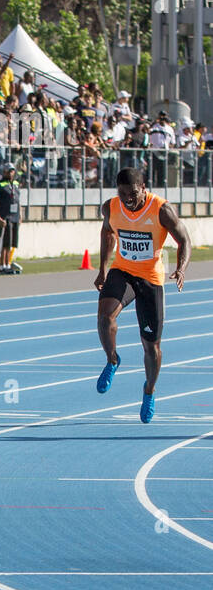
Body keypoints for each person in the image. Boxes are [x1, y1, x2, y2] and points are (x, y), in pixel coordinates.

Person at [93, 167, 192, 423]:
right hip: (123, 271)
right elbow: (107, 233)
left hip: (150, 278)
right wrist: (103, 269)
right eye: (122, 193)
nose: (128, 199)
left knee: (151, 346)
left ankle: (149, 389)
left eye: (133, 193)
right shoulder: (111, 207)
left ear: (144, 188)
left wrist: (181, 268)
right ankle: (112, 360)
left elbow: (184, 240)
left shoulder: (161, 209)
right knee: (104, 317)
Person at [0, 163, 21, 274]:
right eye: (8, 171)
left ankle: (8, 264)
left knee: (11, 243)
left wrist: (20, 215)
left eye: (12, 171)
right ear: (4, 172)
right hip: (5, 216)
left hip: (15, 216)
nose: (10, 173)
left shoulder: (16, 184)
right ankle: (2, 266)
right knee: (4, 243)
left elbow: (18, 201)